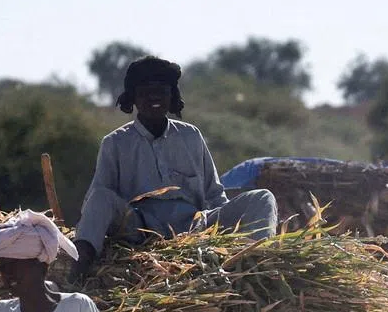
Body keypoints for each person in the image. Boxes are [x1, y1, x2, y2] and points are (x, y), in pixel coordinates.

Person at [73, 55, 278, 281]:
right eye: (145, 91)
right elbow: (97, 202)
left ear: (172, 96)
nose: (154, 97)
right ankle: (78, 271)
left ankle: (257, 266)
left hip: (195, 225)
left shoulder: (191, 136)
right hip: (140, 230)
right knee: (100, 197)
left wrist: (224, 230)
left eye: (161, 90)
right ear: (134, 98)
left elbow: (214, 194)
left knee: (263, 198)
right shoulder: (115, 143)